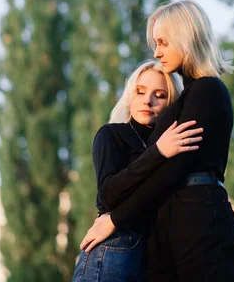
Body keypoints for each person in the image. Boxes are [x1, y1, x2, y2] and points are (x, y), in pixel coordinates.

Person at [80, 0, 234, 282]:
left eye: (163, 42)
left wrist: (115, 219)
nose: (157, 52)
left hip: (201, 222)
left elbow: (173, 170)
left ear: (185, 38)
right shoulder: (182, 101)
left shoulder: (208, 90)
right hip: (169, 230)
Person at [72, 61, 203, 282]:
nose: (147, 100)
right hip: (115, 247)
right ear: (130, 95)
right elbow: (108, 194)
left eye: (159, 95)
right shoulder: (112, 134)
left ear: (171, 103)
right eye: (140, 91)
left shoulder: (175, 144)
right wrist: (158, 152)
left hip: (156, 259)